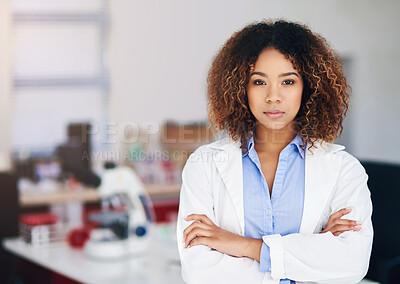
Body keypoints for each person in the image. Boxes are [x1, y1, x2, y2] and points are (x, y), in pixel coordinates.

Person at [176, 19, 373, 284]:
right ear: (241, 88)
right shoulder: (204, 165)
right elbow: (200, 272)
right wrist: (310, 255)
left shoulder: (345, 170)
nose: (273, 96)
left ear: (308, 87)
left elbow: (351, 263)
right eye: (259, 82)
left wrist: (244, 246)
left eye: (288, 82)